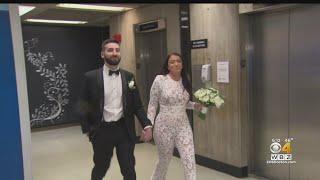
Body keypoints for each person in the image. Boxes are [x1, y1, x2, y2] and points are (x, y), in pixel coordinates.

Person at [76, 39, 153, 180]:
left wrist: (147, 125)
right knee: (101, 167)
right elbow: (82, 105)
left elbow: (137, 105)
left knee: (129, 168)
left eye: (117, 50)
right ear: (102, 54)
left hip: (124, 129)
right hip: (101, 130)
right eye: (110, 50)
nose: (114, 53)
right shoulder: (91, 77)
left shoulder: (128, 76)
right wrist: (87, 129)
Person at [147, 52, 202, 180]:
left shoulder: (185, 80)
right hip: (163, 127)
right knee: (164, 161)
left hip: (183, 126)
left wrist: (195, 105)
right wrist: (148, 125)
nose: (176, 63)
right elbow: (152, 104)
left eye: (178, 61)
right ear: (168, 66)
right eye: (172, 62)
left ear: (182, 65)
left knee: (189, 160)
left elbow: (183, 103)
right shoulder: (160, 80)